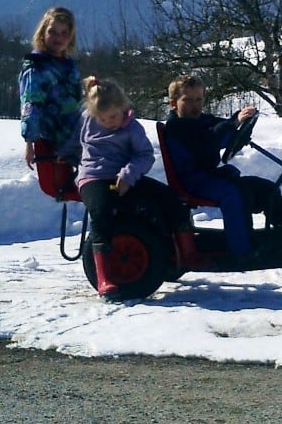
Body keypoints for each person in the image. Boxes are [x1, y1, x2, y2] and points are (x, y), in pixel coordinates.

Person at [162, 74, 282, 262]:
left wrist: (239, 120)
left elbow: (218, 125)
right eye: (188, 100)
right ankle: (243, 249)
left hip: (207, 178)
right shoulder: (178, 127)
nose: (195, 105)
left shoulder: (198, 120)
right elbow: (210, 141)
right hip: (193, 181)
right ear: (173, 104)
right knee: (234, 194)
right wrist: (233, 124)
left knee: (263, 188)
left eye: (199, 99)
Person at [68, 77, 193, 299]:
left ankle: (185, 255)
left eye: (113, 117)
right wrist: (64, 154)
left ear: (123, 107)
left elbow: (144, 155)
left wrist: (128, 175)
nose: (108, 122)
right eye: (102, 118)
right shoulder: (87, 118)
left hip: (123, 176)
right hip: (93, 177)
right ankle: (104, 276)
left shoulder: (132, 128)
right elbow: (72, 142)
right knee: (101, 210)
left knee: (170, 199)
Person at [18, 7, 82, 196]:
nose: (58, 38)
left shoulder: (68, 65)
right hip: (57, 138)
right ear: (42, 33)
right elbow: (31, 106)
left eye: (64, 33)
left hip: (76, 132)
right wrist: (30, 142)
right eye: (52, 32)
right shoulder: (37, 68)